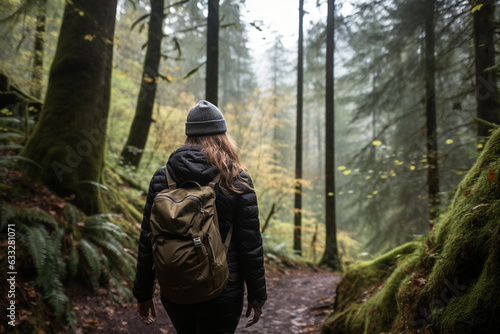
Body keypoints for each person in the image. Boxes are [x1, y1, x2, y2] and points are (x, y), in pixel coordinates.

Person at [133, 100, 267, 333]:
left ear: (188, 136)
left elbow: (148, 240)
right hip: (224, 287)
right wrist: (257, 296)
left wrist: (143, 293)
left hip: (176, 287)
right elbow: (250, 245)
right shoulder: (236, 179)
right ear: (223, 135)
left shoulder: (162, 178)